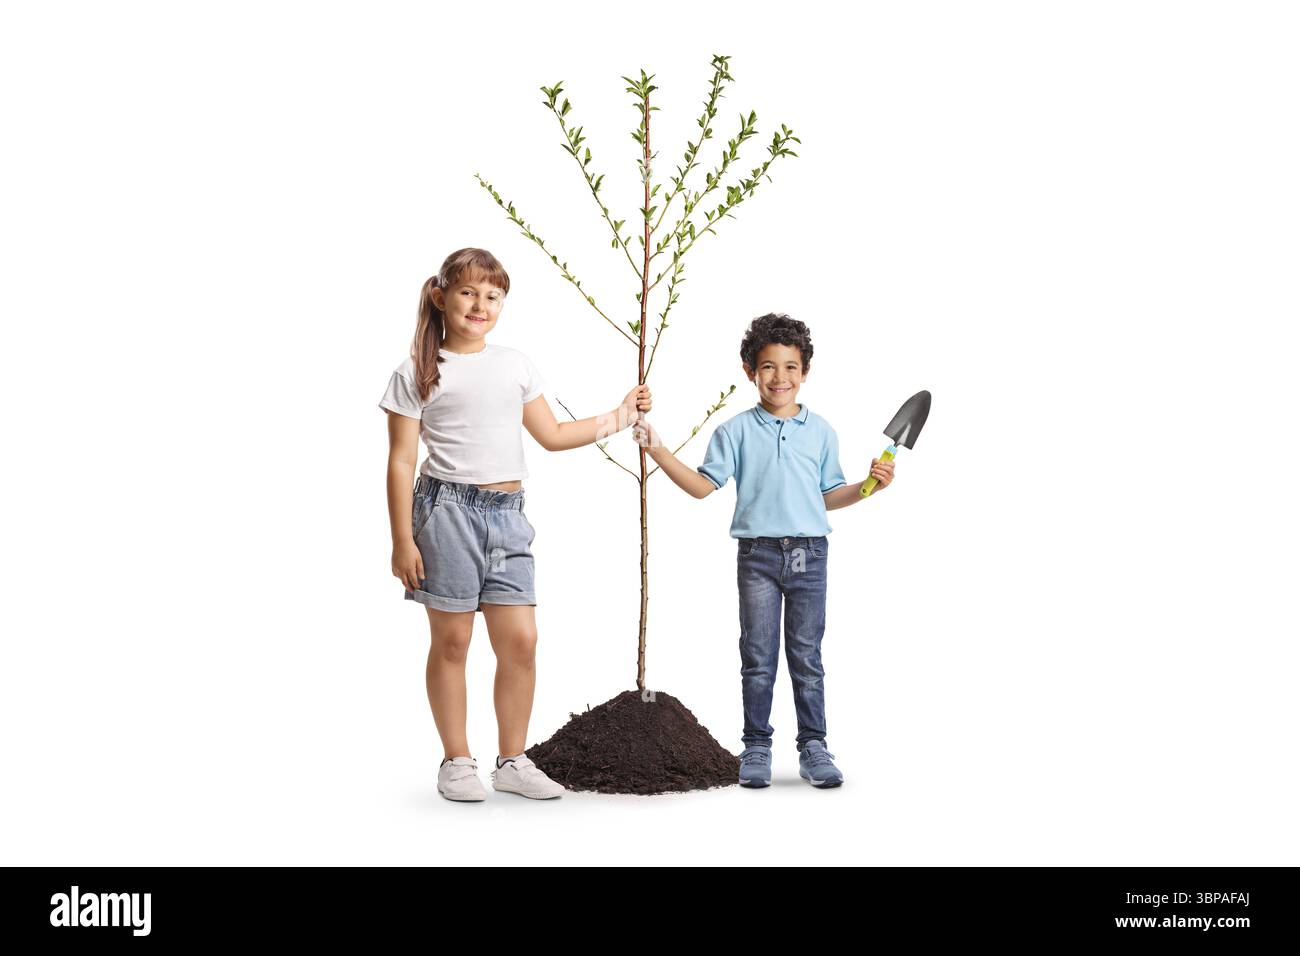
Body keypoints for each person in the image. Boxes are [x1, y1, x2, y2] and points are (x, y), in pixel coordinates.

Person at [379, 247, 651, 801]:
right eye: (468, 293)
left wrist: (622, 416)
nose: (480, 305)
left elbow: (552, 435)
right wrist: (402, 539)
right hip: (445, 513)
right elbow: (402, 459)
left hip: (508, 518)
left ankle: (512, 760)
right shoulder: (416, 372)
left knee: (521, 641)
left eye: (492, 296)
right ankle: (456, 760)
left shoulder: (514, 363)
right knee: (453, 641)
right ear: (441, 296)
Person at [633, 313, 893, 789]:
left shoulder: (821, 432)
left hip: (810, 556)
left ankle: (814, 746)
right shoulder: (734, 432)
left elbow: (829, 496)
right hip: (757, 557)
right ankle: (756, 745)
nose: (780, 378)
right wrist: (658, 450)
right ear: (750, 371)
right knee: (757, 654)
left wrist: (869, 486)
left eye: (791, 367)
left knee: (806, 655)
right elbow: (701, 487)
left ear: (805, 372)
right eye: (769, 367)